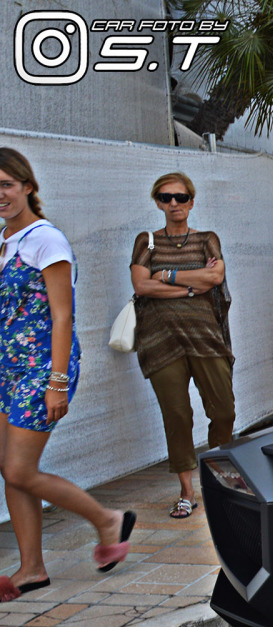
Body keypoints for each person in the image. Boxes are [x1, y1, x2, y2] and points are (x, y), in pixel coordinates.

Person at [0, 148, 134, 602]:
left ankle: (107, 520)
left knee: (19, 468)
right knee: (11, 471)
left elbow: (62, 316)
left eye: (6, 185)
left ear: (28, 187)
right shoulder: (5, 241)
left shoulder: (46, 240)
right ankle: (32, 569)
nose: (0, 195)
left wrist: (58, 382)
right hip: (7, 369)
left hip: (42, 367)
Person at [130, 171, 233, 520]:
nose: (173, 203)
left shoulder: (207, 239)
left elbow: (216, 277)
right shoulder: (147, 242)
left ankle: (217, 478)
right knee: (177, 416)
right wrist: (191, 286)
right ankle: (188, 491)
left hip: (205, 336)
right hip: (161, 340)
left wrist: (168, 276)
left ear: (191, 200)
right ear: (157, 201)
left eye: (180, 197)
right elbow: (142, 286)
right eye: (165, 197)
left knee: (223, 411)